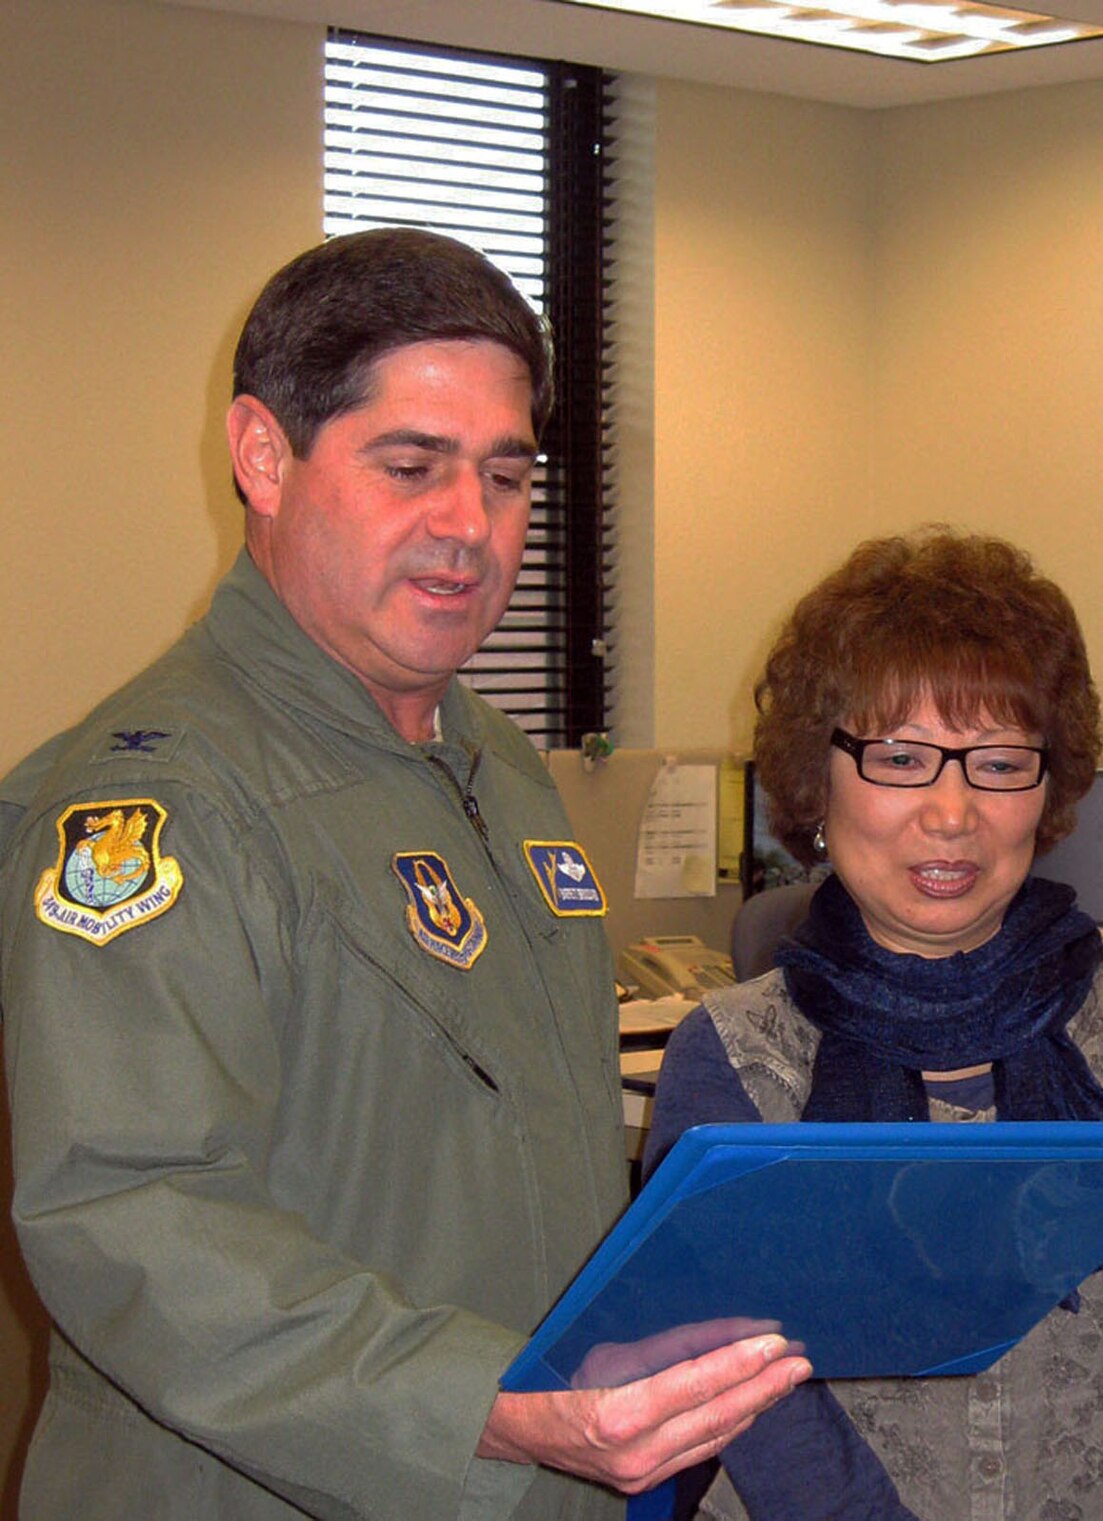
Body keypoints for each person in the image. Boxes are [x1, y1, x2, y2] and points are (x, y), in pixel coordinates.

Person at [0, 228, 807, 1520]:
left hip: (535, 1475)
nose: (468, 528)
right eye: (410, 467)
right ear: (263, 457)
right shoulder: (160, 802)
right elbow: (133, 1212)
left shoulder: (498, 764)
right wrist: (478, 1407)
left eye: (505, 475)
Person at [641, 529, 1103, 1519]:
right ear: (818, 778)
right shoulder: (733, 1057)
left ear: (1049, 786)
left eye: (998, 762)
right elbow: (743, 1382)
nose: (952, 812)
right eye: (901, 758)